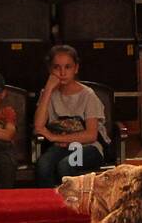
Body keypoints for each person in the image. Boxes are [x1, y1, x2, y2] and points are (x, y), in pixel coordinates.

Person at [34, 45, 110, 189]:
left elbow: (91, 135)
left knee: (66, 165)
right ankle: (50, 207)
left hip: (88, 148)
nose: (62, 72)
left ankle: (71, 207)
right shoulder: (47, 93)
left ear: (76, 68)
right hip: (61, 147)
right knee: (43, 165)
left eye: (67, 67)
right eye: (57, 67)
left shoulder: (88, 95)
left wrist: (55, 137)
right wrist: (48, 90)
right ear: (50, 70)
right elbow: (38, 127)